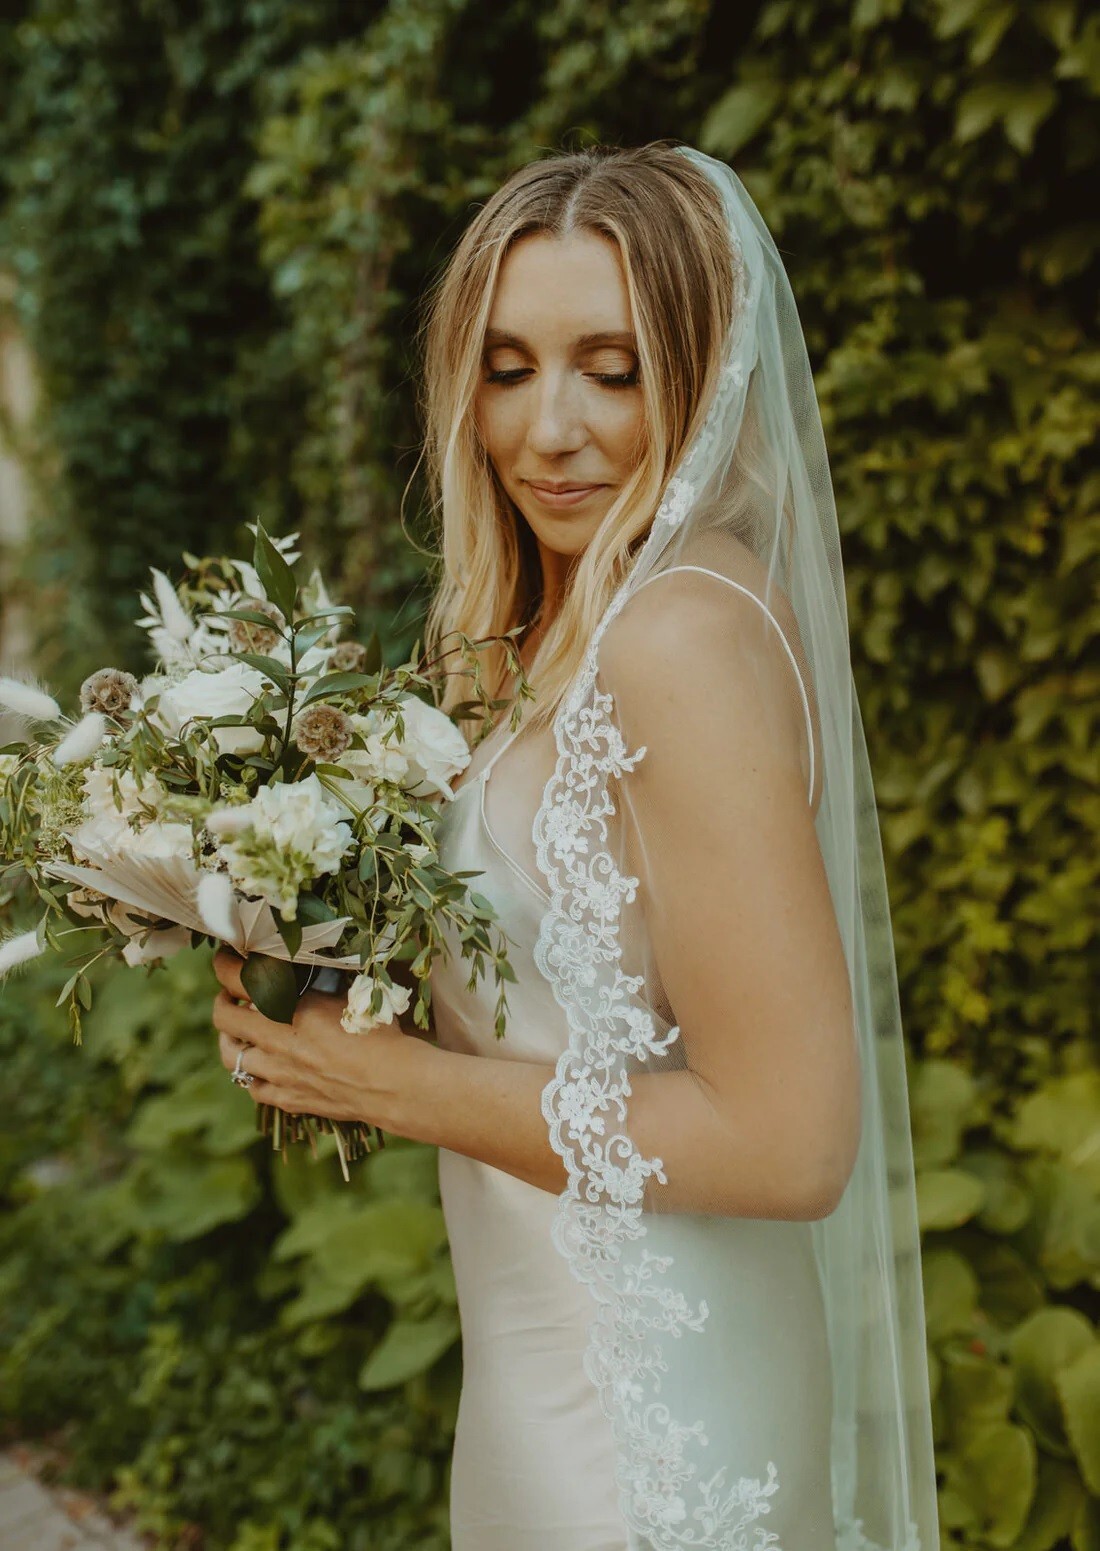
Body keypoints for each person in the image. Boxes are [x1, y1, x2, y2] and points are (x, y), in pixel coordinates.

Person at [212, 142, 940, 1551]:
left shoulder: (674, 639)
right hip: (554, 1361)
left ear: (704, 367)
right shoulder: (570, 631)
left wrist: (396, 1084)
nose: (551, 430)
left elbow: (791, 1141)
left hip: (645, 1413)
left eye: (612, 368)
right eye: (507, 367)